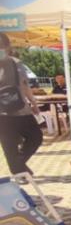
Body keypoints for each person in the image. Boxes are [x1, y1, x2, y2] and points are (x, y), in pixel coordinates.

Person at [0, 32, 43, 177]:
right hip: (2, 114)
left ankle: (18, 166)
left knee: (36, 137)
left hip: (21, 109)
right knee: (9, 144)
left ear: (7, 46)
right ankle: (18, 171)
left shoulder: (15, 63)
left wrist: (33, 103)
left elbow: (24, 85)